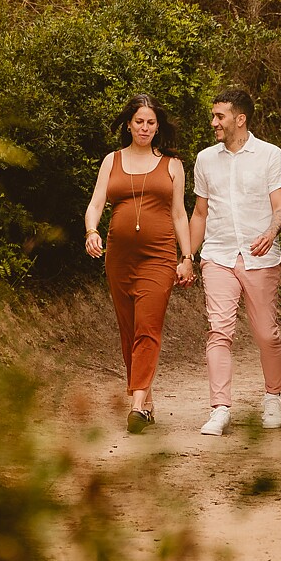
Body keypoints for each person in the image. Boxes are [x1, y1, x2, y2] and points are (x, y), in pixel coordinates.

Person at [83, 94, 194, 433]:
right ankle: (145, 399)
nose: (145, 127)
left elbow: (179, 214)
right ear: (129, 124)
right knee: (129, 330)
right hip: (118, 257)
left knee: (148, 327)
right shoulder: (111, 161)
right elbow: (96, 202)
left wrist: (187, 257)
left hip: (159, 257)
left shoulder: (172, 164)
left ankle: (135, 406)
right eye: (139, 121)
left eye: (151, 122)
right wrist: (91, 231)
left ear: (158, 127)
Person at [187, 85, 281, 436]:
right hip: (217, 254)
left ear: (240, 118)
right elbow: (199, 213)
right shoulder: (205, 159)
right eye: (214, 115)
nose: (214, 121)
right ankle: (220, 408)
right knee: (219, 331)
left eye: (220, 116)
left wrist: (271, 232)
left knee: (266, 333)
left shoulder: (270, 156)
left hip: (260, 257)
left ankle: (273, 397)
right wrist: (187, 255)